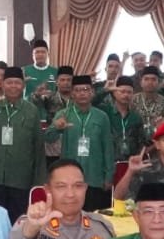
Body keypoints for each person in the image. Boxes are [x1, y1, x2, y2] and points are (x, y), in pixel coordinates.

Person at [0, 66, 46, 223]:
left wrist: (38, 181)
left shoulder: (31, 110)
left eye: (17, 83)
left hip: (20, 179)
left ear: (23, 85)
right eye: (9, 82)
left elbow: (38, 146)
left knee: (17, 222)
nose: (13, 86)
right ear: (2, 85)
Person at [49, 75, 117, 211]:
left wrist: (109, 176)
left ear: (92, 92)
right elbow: (48, 138)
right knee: (69, 214)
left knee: (94, 216)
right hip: (69, 178)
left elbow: (108, 148)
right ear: (72, 94)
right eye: (77, 90)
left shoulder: (101, 116)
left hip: (95, 176)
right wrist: (56, 127)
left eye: (86, 89)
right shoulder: (64, 114)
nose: (82, 93)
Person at [106, 75, 147, 164]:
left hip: (130, 163)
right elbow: (91, 102)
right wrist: (105, 90)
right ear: (114, 93)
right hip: (109, 162)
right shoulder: (106, 113)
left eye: (129, 92)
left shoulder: (136, 117)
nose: (126, 95)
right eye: (122, 91)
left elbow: (142, 142)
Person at [132, 66, 164, 135]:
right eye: (146, 79)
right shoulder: (133, 100)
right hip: (136, 137)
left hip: (158, 137)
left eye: (153, 79)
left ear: (159, 83)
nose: (150, 82)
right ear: (141, 83)